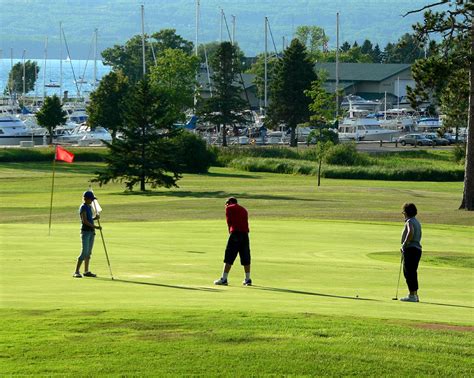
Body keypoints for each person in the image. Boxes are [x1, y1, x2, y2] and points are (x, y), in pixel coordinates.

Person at [214, 197, 252, 286]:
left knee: (229, 255)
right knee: (245, 255)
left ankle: (224, 279)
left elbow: (229, 222)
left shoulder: (229, 208)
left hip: (235, 233)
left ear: (229, 202)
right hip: (245, 234)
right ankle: (247, 279)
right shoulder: (243, 209)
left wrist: (230, 232)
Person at [73, 191, 101, 278]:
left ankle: (86, 271)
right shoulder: (83, 207)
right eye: (91, 199)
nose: (92, 201)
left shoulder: (89, 207)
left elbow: (89, 219)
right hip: (85, 232)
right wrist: (95, 226)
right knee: (84, 252)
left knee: (88, 253)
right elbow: (84, 221)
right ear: (86, 199)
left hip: (91, 232)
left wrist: (95, 218)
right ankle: (76, 271)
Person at [400, 203, 422, 302]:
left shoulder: (409, 221)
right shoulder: (416, 221)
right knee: (412, 272)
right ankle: (415, 295)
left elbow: (410, 232)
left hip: (411, 249)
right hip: (417, 250)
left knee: (408, 272)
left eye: (403, 212)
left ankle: (412, 295)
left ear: (406, 212)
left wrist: (404, 244)